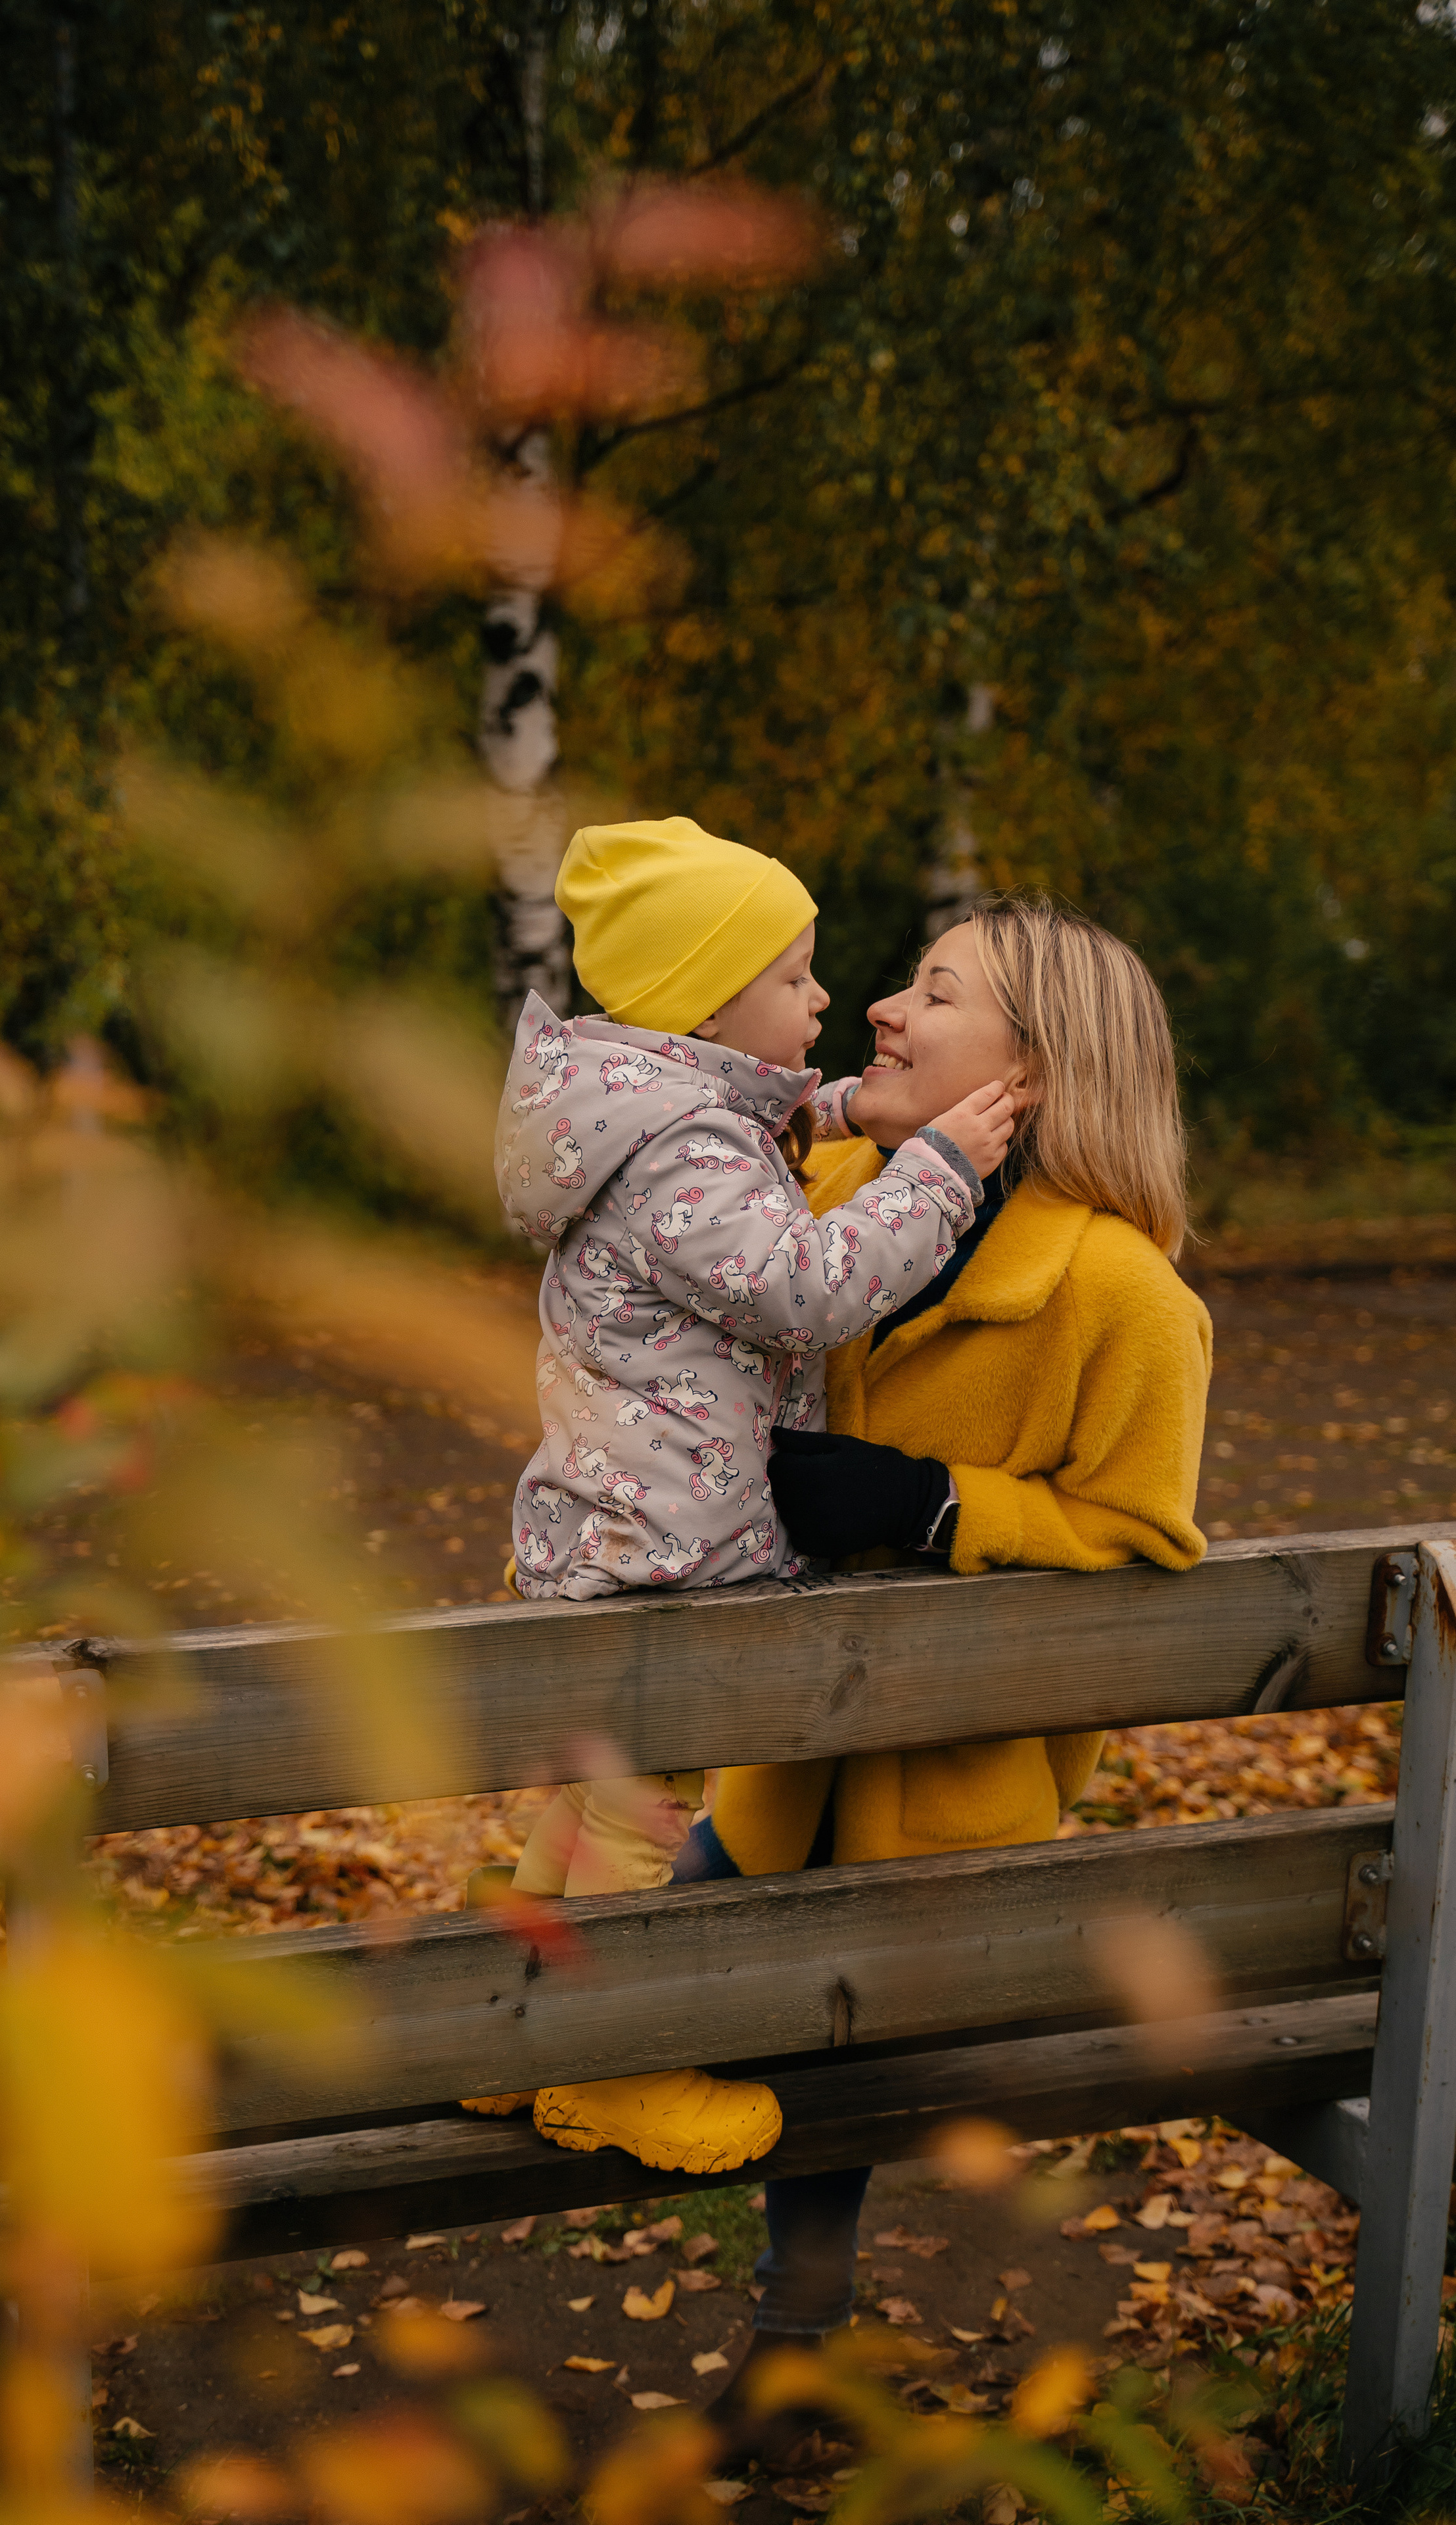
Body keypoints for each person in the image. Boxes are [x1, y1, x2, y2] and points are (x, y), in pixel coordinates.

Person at [669, 893, 1213, 2419]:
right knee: (649, 1997)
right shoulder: (831, 1194)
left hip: (943, 1823)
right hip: (775, 1764)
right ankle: (796, 2339)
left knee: (801, 2040)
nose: (881, 1012)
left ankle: (793, 2339)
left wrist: (931, 1505)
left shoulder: (1121, 1297)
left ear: (1033, 1070)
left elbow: (1143, 1546)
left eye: (933, 990)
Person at [473, 815, 1017, 2176]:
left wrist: (839, 1113)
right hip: (667, 1542)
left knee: (591, 1801)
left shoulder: (648, 1113)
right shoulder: (685, 1153)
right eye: (793, 975)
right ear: (711, 1002)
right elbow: (806, 1284)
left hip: (619, 1519)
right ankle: (610, 2069)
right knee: (636, 1815)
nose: (824, 1000)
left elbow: (742, 1128)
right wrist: (936, 1175)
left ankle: (498, 2040)